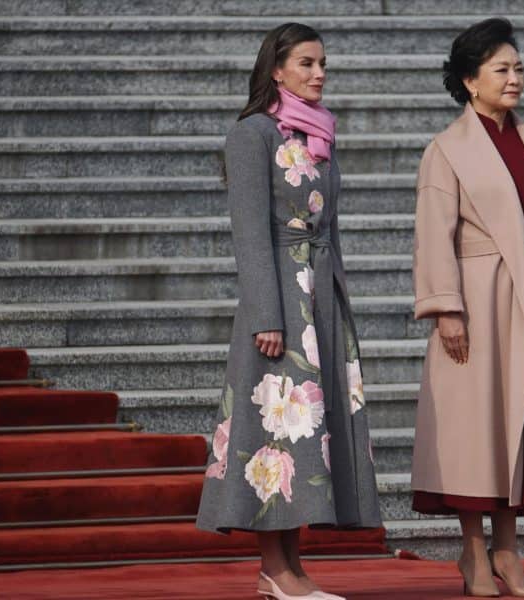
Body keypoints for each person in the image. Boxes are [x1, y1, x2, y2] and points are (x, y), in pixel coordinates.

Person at [196, 23, 381, 600]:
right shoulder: (252, 134)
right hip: (278, 301)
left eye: (323, 62)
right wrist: (266, 315)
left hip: (320, 301)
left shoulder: (321, 134)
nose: (319, 72)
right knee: (274, 433)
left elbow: (331, 229)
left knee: (306, 440)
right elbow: (249, 232)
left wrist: (338, 307)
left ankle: (289, 570)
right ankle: (276, 570)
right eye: (306, 63)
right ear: (277, 70)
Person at [410, 17, 524, 598]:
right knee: (475, 428)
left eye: (518, 68)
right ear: (469, 81)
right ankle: (472, 553)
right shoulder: (447, 151)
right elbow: (434, 236)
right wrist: (446, 309)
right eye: (501, 70)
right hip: (477, 302)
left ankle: (508, 553)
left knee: (521, 424)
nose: (515, 79)